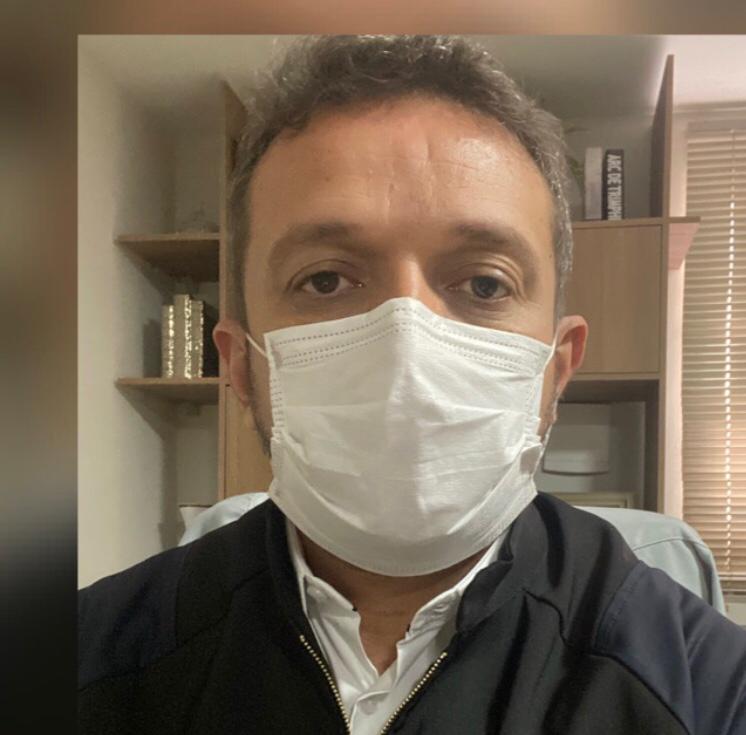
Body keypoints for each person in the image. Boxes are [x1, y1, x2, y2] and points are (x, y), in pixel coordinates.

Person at [78, 35, 746, 734]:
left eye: (484, 283)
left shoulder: (705, 689)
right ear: (241, 366)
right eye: (325, 279)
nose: (406, 342)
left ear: (557, 367)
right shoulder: (90, 662)